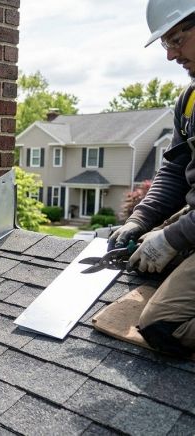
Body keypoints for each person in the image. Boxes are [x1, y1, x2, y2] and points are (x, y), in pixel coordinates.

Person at [108, 0, 195, 357]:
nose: (171, 55)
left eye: (177, 40)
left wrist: (174, 237)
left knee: (164, 325)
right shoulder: (190, 100)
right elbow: (175, 170)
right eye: (165, 43)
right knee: (140, 255)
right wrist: (139, 220)